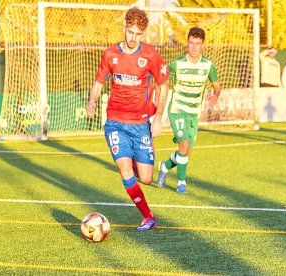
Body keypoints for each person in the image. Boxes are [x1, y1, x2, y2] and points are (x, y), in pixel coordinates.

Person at [86, 7, 169, 230]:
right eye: (130, 32)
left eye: (138, 34)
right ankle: (148, 216)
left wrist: (159, 117)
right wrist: (92, 101)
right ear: (124, 27)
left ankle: (134, 158)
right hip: (115, 122)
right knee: (125, 171)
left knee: (146, 178)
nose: (133, 38)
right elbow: (98, 83)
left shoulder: (150, 54)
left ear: (143, 33)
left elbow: (163, 86)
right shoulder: (110, 54)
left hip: (141, 124)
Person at [157, 27, 221, 193]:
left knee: (185, 151)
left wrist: (215, 96)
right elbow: (161, 81)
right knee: (184, 146)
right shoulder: (177, 64)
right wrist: (155, 96)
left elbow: (217, 86)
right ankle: (181, 183)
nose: (194, 47)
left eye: (197, 44)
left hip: (194, 113)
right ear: (187, 43)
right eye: (191, 43)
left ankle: (164, 166)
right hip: (177, 109)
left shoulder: (208, 65)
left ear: (202, 45)